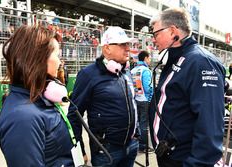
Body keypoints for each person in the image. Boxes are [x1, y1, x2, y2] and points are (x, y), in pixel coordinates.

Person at [149, 8, 225, 166]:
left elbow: (209, 124)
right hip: (169, 155)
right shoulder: (178, 59)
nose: (153, 40)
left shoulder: (200, 62)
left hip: (184, 160)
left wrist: (196, 163)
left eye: (156, 34)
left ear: (172, 31)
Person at [0, 25, 76, 167]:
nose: (60, 61)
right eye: (57, 55)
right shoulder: (22, 117)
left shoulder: (40, 98)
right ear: (38, 58)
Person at [67, 26, 139, 167]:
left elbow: (133, 104)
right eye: (122, 44)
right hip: (106, 151)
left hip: (131, 145)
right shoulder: (88, 74)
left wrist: (137, 134)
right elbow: (74, 115)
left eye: (128, 44)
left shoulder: (125, 71)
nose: (128, 48)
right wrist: (79, 150)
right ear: (107, 49)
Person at [131, 50, 153, 152]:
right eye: (149, 58)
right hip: (144, 100)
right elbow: (148, 87)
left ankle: (137, 143)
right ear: (145, 58)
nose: (150, 60)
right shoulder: (146, 70)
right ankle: (143, 146)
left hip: (135, 99)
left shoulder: (133, 70)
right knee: (144, 124)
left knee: (137, 122)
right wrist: (150, 99)